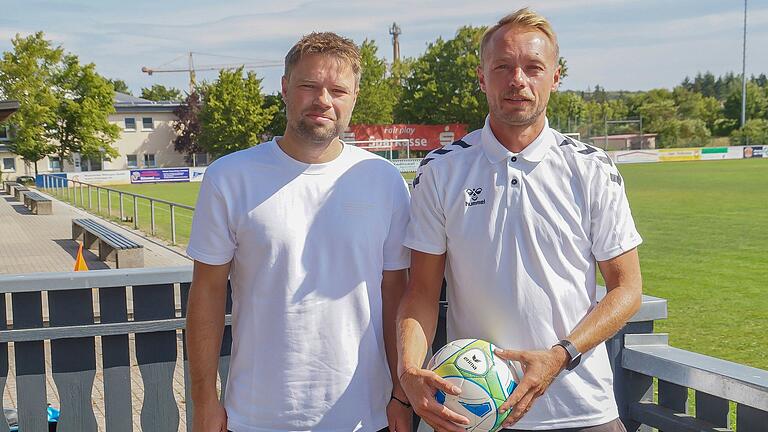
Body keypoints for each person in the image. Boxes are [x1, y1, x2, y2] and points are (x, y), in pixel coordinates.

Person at [396, 8, 642, 432]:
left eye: (533, 68)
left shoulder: (592, 168)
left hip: (582, 410)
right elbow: (420, 292)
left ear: (556, 77)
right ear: (481, 77)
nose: (518, 80)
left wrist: (560, 355)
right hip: (474, 412)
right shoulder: (441, 170)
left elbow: (627, 289)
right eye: (503, 67)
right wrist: (407, 372)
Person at [186, 32, 413, 432]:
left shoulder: (384, 179)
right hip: (257, 416)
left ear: (354, 96)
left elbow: (395, 291)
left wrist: (399, 393)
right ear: (286, 88)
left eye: (338, 90)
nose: (323, 100)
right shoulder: (229, 177)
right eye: (309, 85)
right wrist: (204, 401)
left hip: (364, 415)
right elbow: (206, 293)